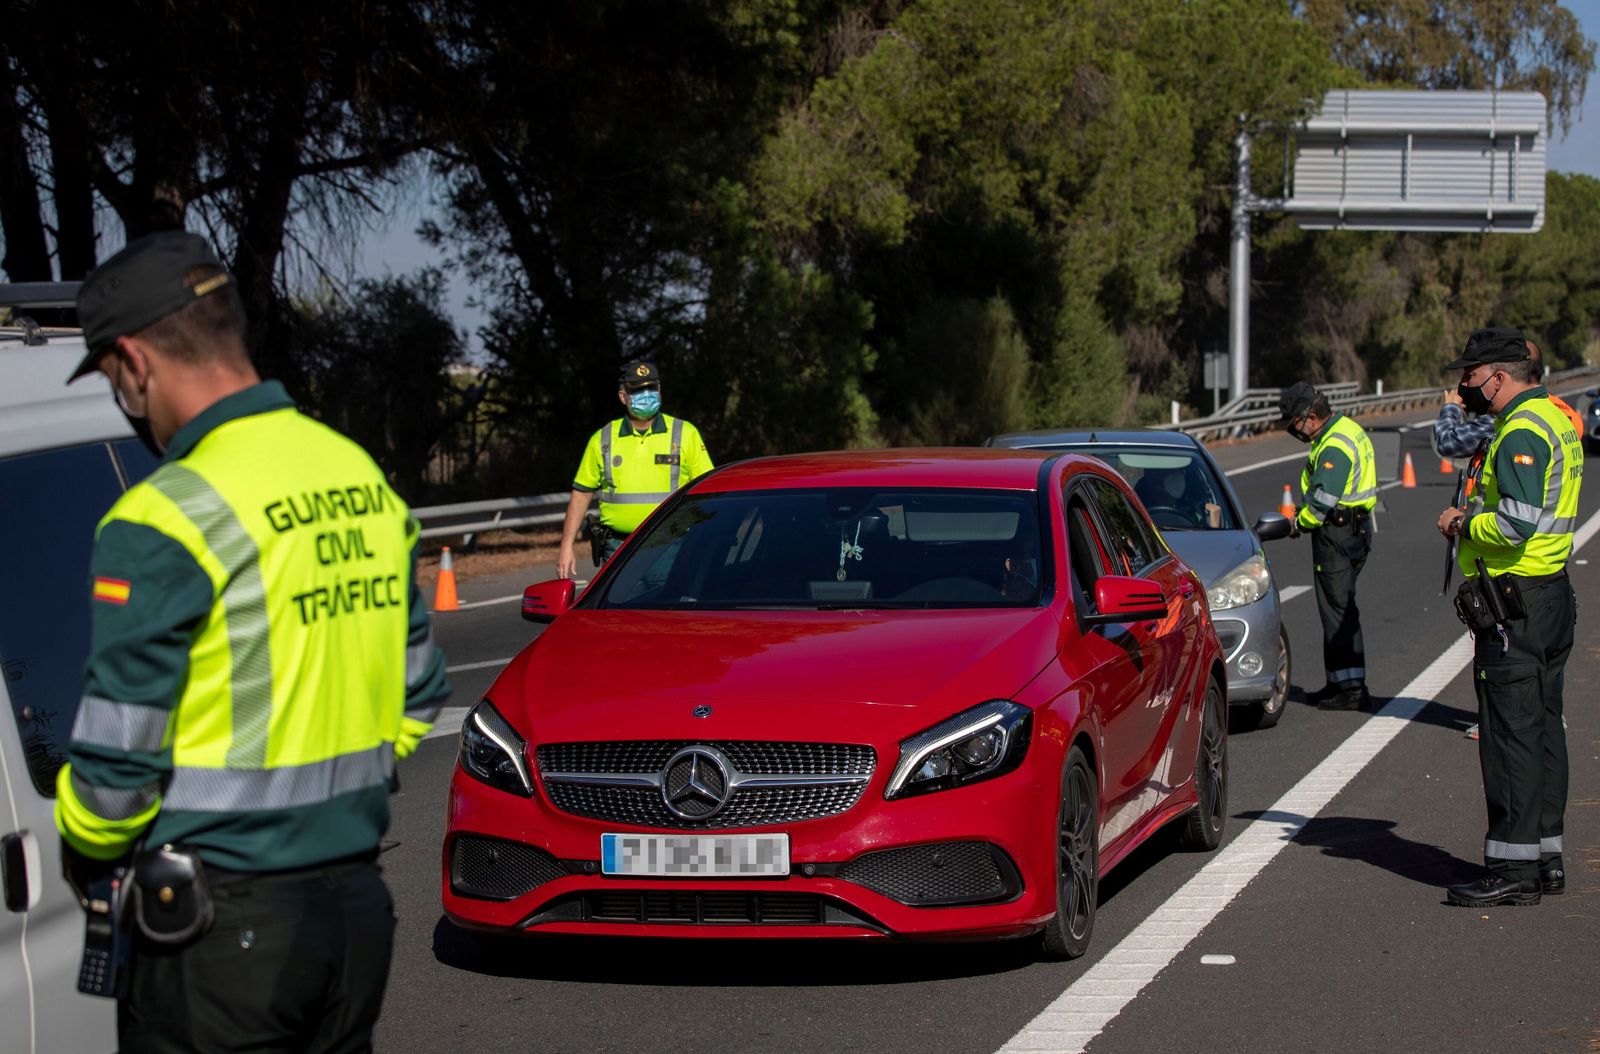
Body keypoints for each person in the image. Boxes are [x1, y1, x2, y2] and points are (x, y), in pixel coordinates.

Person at [55, 231, 450, 1052]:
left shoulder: (163, 516)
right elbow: (416, 694)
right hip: (352, 914)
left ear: (134, 361)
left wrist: (83, 842)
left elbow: (114, 779)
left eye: (113, 379)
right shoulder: (356, 477)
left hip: (223, 933)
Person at [1435, 326, 1581, 908]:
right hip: (1549, 594)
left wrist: (1461, 524)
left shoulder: (1521, 429)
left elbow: (1516, 522)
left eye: (1469, 375)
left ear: (1498, 376)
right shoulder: (1554, 418)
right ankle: (1545, 857)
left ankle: (1513, 869)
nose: (1463, 385)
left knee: (1510, 735)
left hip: (1515, 602)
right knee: (1544, 730)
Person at [556, 359, 714, 578]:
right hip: (617, 549)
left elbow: (708, 490)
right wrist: (566, 545)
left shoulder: (685, 434)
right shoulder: (602, 439)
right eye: (639, 390)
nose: (646, 394)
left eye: (651, 388)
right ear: (623, 397)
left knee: (662, 611)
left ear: (660, 391)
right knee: (617, 612)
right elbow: (581, 494)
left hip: (670, 546)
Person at [1279, 381, 1378, 711]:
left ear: (1309, 416)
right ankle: (1338, 681)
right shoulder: (1346, 428)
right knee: (1338, 606)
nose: (1294, 430)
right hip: (1354, 529)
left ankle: (1350, 688)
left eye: (1294, 422)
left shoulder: (1333, 444)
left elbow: (1324, 498)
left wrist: (1299, 523)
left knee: (1338, 609)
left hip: (1338, 534)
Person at [1433, 337, 1583, 460]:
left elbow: (1449, 442)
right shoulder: (1562, 411)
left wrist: (1451, 408)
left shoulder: (1510, 418)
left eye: (1470, 376)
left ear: (1517, 370)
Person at [1133, 463, 1222, 528]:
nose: (1158, 486)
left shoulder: (1199, 511)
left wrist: (1214, 525)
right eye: (1154, 480)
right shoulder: (1134, 512)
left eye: (1166, 475)